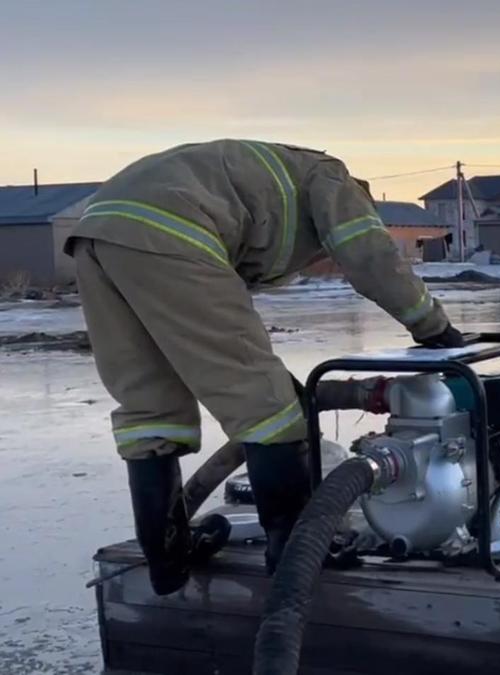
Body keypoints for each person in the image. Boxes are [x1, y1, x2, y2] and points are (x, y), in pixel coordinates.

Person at [67, 140, 463, 595]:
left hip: (97, 234)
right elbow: (370, 256)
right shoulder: (335, 181)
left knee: (149, 405)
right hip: (172, 229)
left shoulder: (265, 182)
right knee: (269, 407)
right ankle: (297, 554)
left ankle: (167, 559)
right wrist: (434, 329)